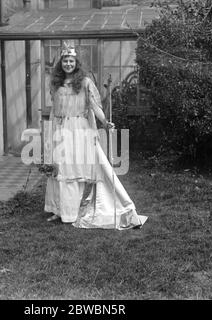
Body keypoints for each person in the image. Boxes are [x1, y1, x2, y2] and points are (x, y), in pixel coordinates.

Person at [44, 41, 148, 230]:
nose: (68, 64)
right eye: (65, 60)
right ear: (61, 63)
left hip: (79, 130)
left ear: (76, 63)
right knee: (60, 170)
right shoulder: (55, 83)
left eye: (71, 60)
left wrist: (105, 123)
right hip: (60, 130)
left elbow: (94, 106)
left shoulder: (85, 82)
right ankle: (59, 210)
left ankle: (73, 211)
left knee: (74, 170)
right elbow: (54, 109)